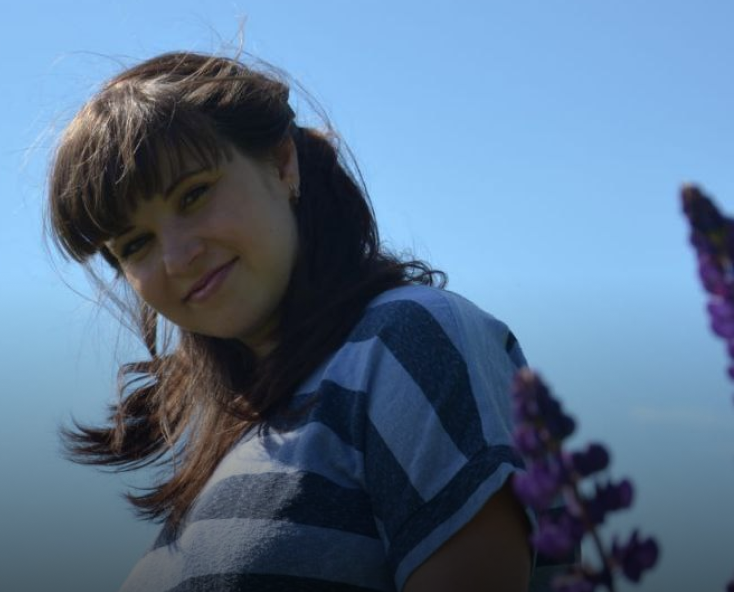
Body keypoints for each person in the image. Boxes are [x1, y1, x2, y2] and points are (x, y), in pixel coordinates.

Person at [47, 50, 536, 592]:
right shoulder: (239, 434)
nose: (177, 257)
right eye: (136, 243)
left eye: (194, 194)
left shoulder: (405, 340)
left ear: (282, 164)